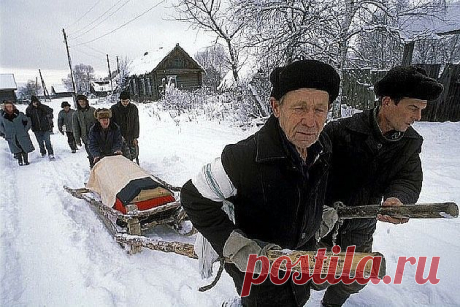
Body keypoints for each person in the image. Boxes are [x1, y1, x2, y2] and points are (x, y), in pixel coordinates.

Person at [181, 60, 341, 306]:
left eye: (320, 109)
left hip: (300, 268)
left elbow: (311, 193)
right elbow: (193, 197)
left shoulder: (322, 148)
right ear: (276, 107)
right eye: (300, 108)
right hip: (259, 279)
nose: (311, 121)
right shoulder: (244, 157)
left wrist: (316, 223)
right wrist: (239, 247)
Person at [318, 66, 444, 307]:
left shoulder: (409, 143)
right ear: (387, 102)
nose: (418, 117)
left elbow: (408, 179)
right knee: (314, 273)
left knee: (356, 276)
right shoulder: (340, 131)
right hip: (322, 221)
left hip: (361, 225)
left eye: (421, 110)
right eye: (413, 108)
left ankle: (330, 304)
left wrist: (398, 199)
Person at [0, 101, 35, 165]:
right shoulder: (2, 117)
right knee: (16, 148)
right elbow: (0, 126)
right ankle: (20, 161)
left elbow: (28, 120)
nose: (9, 108)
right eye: (7, 107)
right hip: (11, 135)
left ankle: (26, 161)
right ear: (5, 108)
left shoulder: (19, 114)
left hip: (21, 133)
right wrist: (5, 132)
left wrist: (25, 129)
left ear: (13, 106)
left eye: (10, 106)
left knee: (24, 147)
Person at [110, 91, 140, 163]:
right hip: (119, 135)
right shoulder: (114, 108)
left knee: (134, 153)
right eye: (123, 101)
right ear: (120, 100)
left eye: (127, 101)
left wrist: (135, 137)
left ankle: (132, 166)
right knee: (123, 154)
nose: (125, 103)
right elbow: (111, 123)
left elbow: (136, 123)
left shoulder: (133, 108)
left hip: (131, 134)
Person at [25, 95, 54, 159]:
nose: (35, 103)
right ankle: (43, 152)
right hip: (36, 129)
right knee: (40, 142)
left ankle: (51, 153)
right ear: (31, 102)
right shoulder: (29, 109)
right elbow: (27, 118)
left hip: (45, 127)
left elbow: (50, 110)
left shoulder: (42, 107)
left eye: (36, 101)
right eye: (33, 102)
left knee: (47, 142)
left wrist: (40, 106)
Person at [72, 94, 97, 167]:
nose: (82, 103)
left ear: (86, 101)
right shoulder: (76, 114)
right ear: (78, 103)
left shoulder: (93, 110)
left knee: (98, 154)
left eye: (83, 101)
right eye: (80, 101)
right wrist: (77, 140)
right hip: (86, 138)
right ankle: (92, 168)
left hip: (96, 136)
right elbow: (75, 128)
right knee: (90, 154)